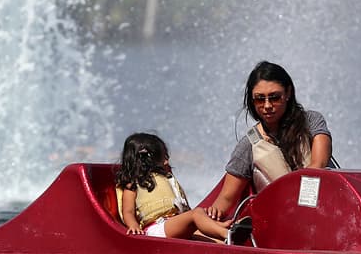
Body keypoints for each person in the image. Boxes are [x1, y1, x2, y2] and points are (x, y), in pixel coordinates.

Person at [204, 61, 333, 222]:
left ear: (288, 93)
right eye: (259, 99)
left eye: (275, 97)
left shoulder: (312, 121)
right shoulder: (248, 146)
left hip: (327, 212)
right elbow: (225, 200)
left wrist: (303, 208)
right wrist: (207, 216)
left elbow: (319, 165)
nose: (267, 106)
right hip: (283, 222)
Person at [116, 132, 231, 240]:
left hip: (173, 225)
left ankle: (226, 236)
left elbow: (184, 210)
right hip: (156, 229)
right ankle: (226, 233)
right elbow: (128, 211)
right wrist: (133, 225)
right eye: (163, 157)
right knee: (196, 213)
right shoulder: (133, 183)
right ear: (147, 160)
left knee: (208, 237)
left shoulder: (167, 178)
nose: (167, 161)